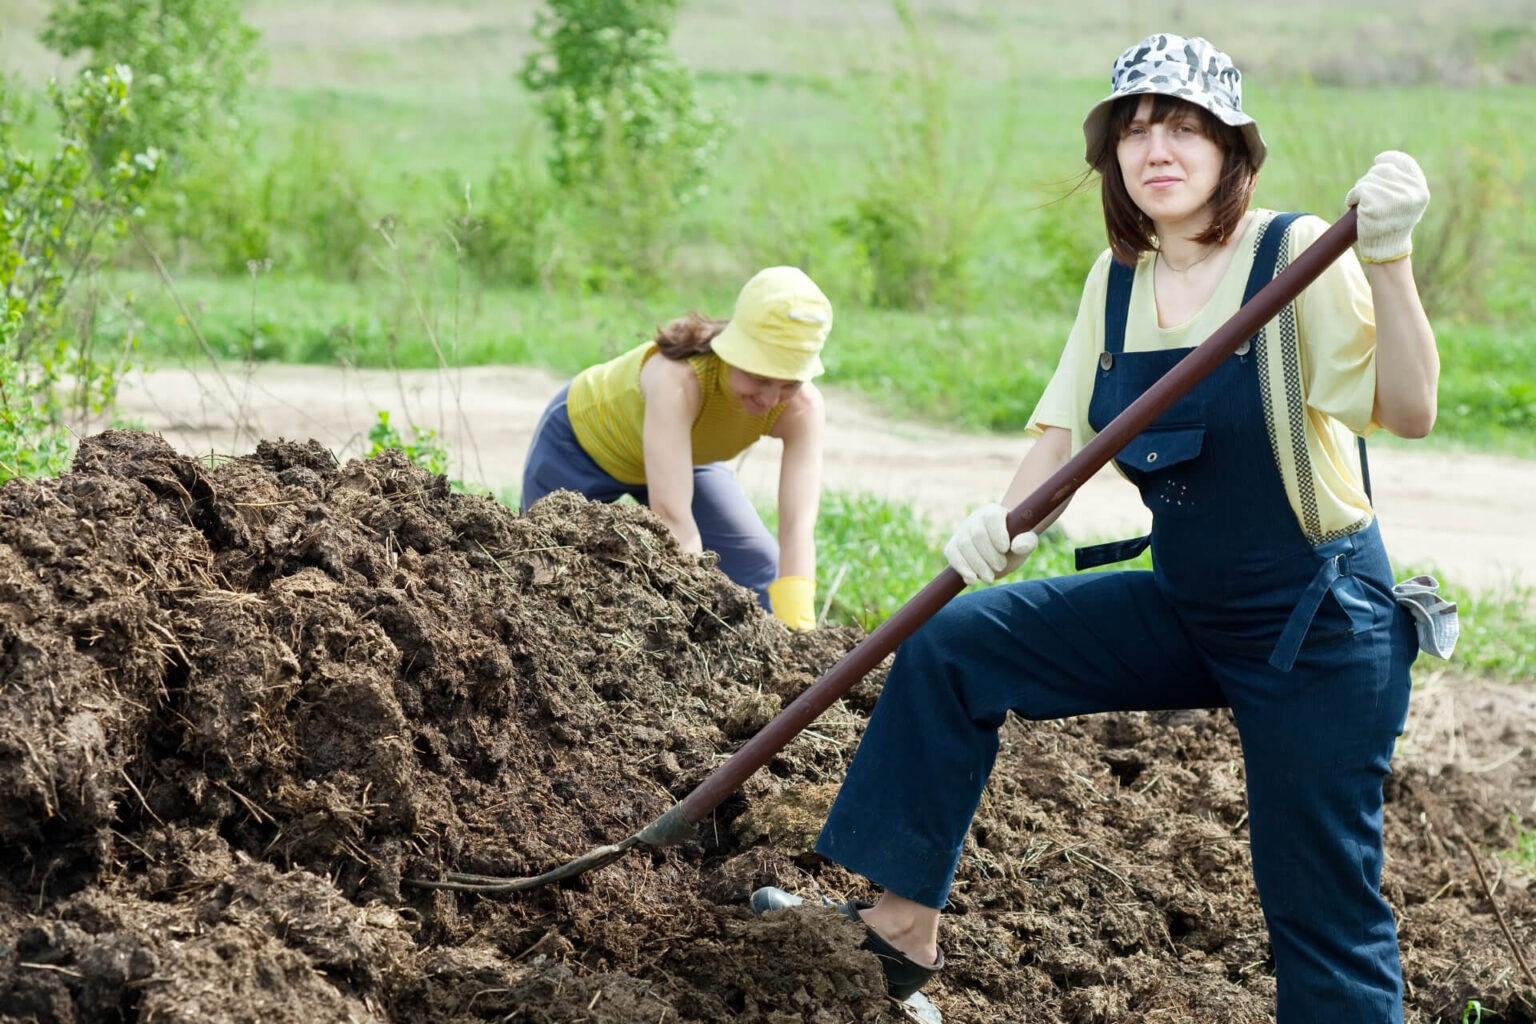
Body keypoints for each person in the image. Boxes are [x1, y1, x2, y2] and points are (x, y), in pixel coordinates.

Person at [754, 33, 1454, 1021]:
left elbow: (1413, 407)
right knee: (957, 645)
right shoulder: (1116, 282)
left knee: (1316, 898)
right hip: (1189, 602)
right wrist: (1003, 524)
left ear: (1229, 147)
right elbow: (1062, 426)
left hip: (1320, 627)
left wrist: (1389, 259)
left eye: (1181, 125)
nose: (1154, 147)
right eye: (1133, 130)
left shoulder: (1293, 257)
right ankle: (897, 931)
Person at [521, 266, 831, 631]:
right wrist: (695, 617)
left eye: (788, 383)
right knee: (545, 568)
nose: (770, 398)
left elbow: (797, 526)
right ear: (733, 353)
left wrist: (800, 630)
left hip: (686, 460)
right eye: (759, 377)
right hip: (579, 447)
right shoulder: (678, 379)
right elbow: (673, 517)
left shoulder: (802, 408)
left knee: (758, 566)